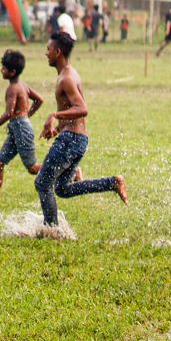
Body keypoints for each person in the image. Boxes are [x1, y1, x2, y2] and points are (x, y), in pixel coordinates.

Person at [34, 32, 128, 231]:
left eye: (48, 49)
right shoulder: (68, 74)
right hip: (77, 138)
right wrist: (58, 129)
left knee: (42, 183)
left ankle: (52, 230)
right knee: (62, 189)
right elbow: (73, 112)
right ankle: (112, 183)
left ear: (58, 52)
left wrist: (54, 115)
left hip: (71, 140)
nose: (46, 53)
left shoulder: (66, 78)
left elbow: (82, 108)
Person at [0, 50, 43, 207]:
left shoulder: (13, 88)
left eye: (4, 68)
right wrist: (26, 116)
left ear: (12, 72)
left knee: (32, 168)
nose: (1, 70)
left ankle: (72, 173)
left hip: (20, 128)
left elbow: (9, 113)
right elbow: (39, 100)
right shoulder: (22, 85)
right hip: (17, 127)